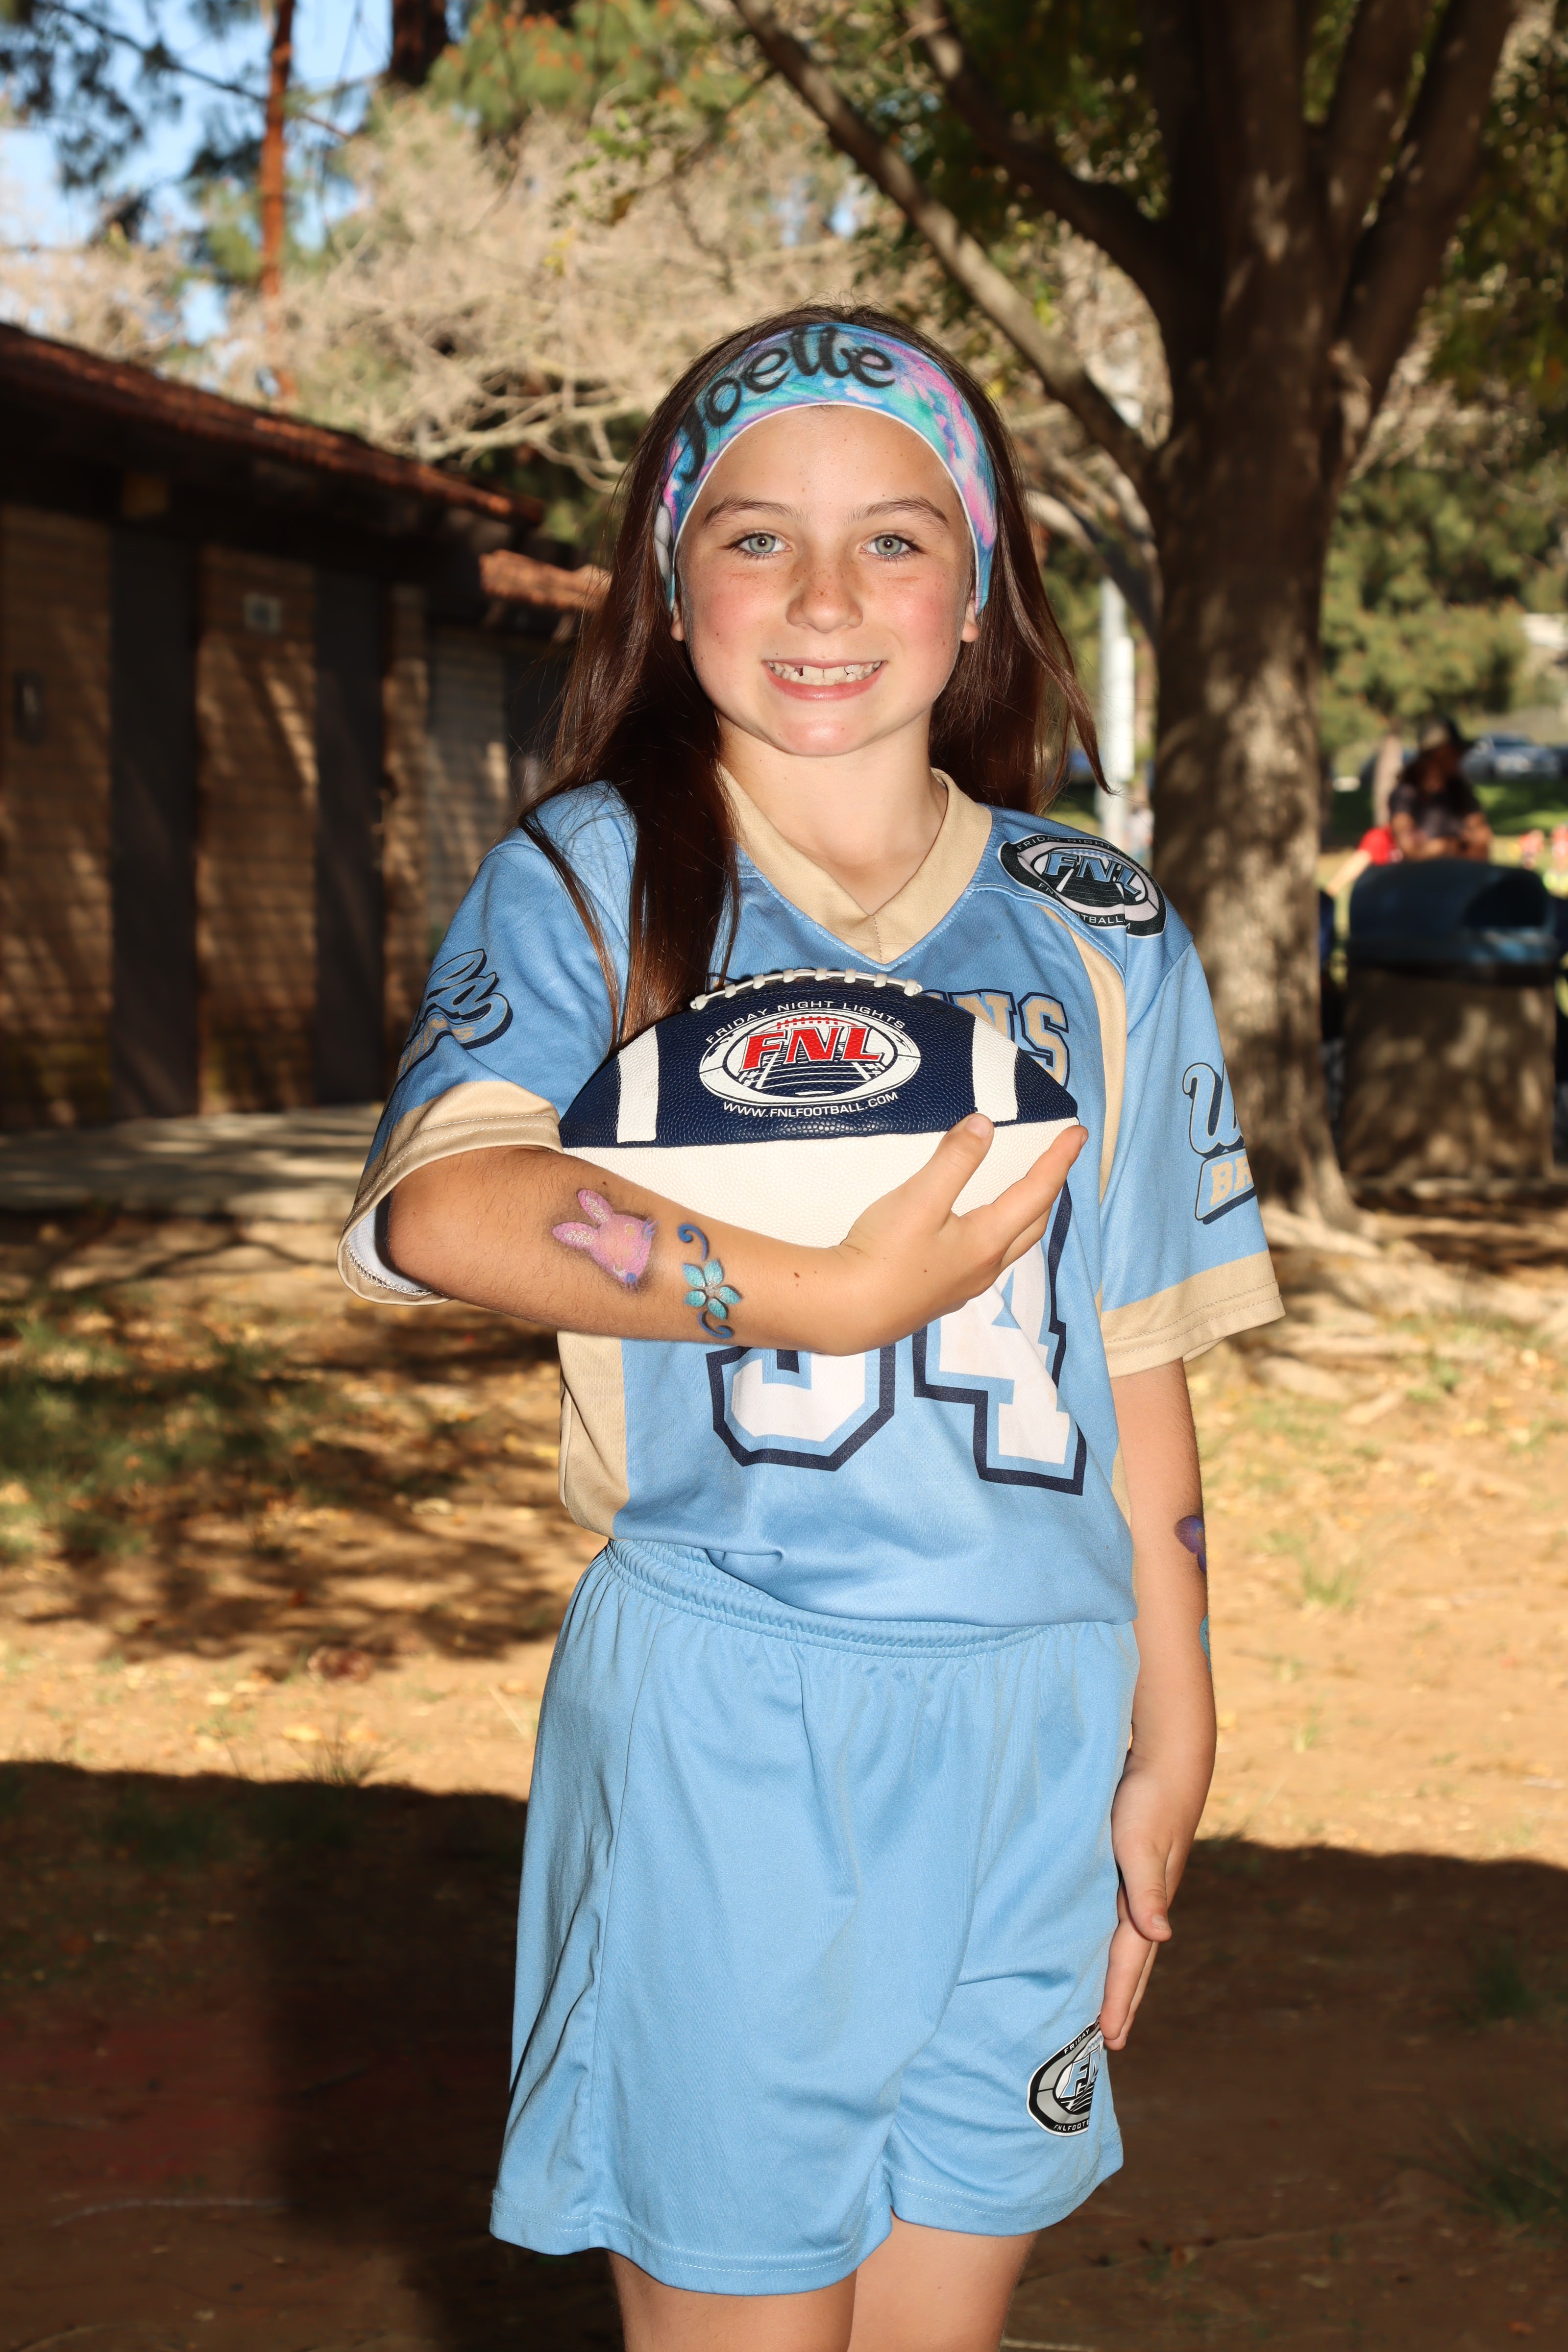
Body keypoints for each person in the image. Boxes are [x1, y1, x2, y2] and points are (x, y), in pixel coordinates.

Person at [337, 306, 1283, 2352]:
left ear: (980, 591)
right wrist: (831, 1292)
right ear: (672, 589)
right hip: (738, 1711)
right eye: (757, 537)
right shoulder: (593, 880)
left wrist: (1175, 1719)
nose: (827, 597)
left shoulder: (1101, 922)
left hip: (1041, 1714)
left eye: (894, 539)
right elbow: (445, 1205)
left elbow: (1134, 1355)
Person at [1388, 722, 1492, 863]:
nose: (1461, 757)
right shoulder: (1406, 794)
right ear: (1441, 752)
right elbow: (1410, 851)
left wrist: (1442, 848)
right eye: (1456, 751)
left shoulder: (1460, 790)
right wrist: (1454, 846)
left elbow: (1482, 843)